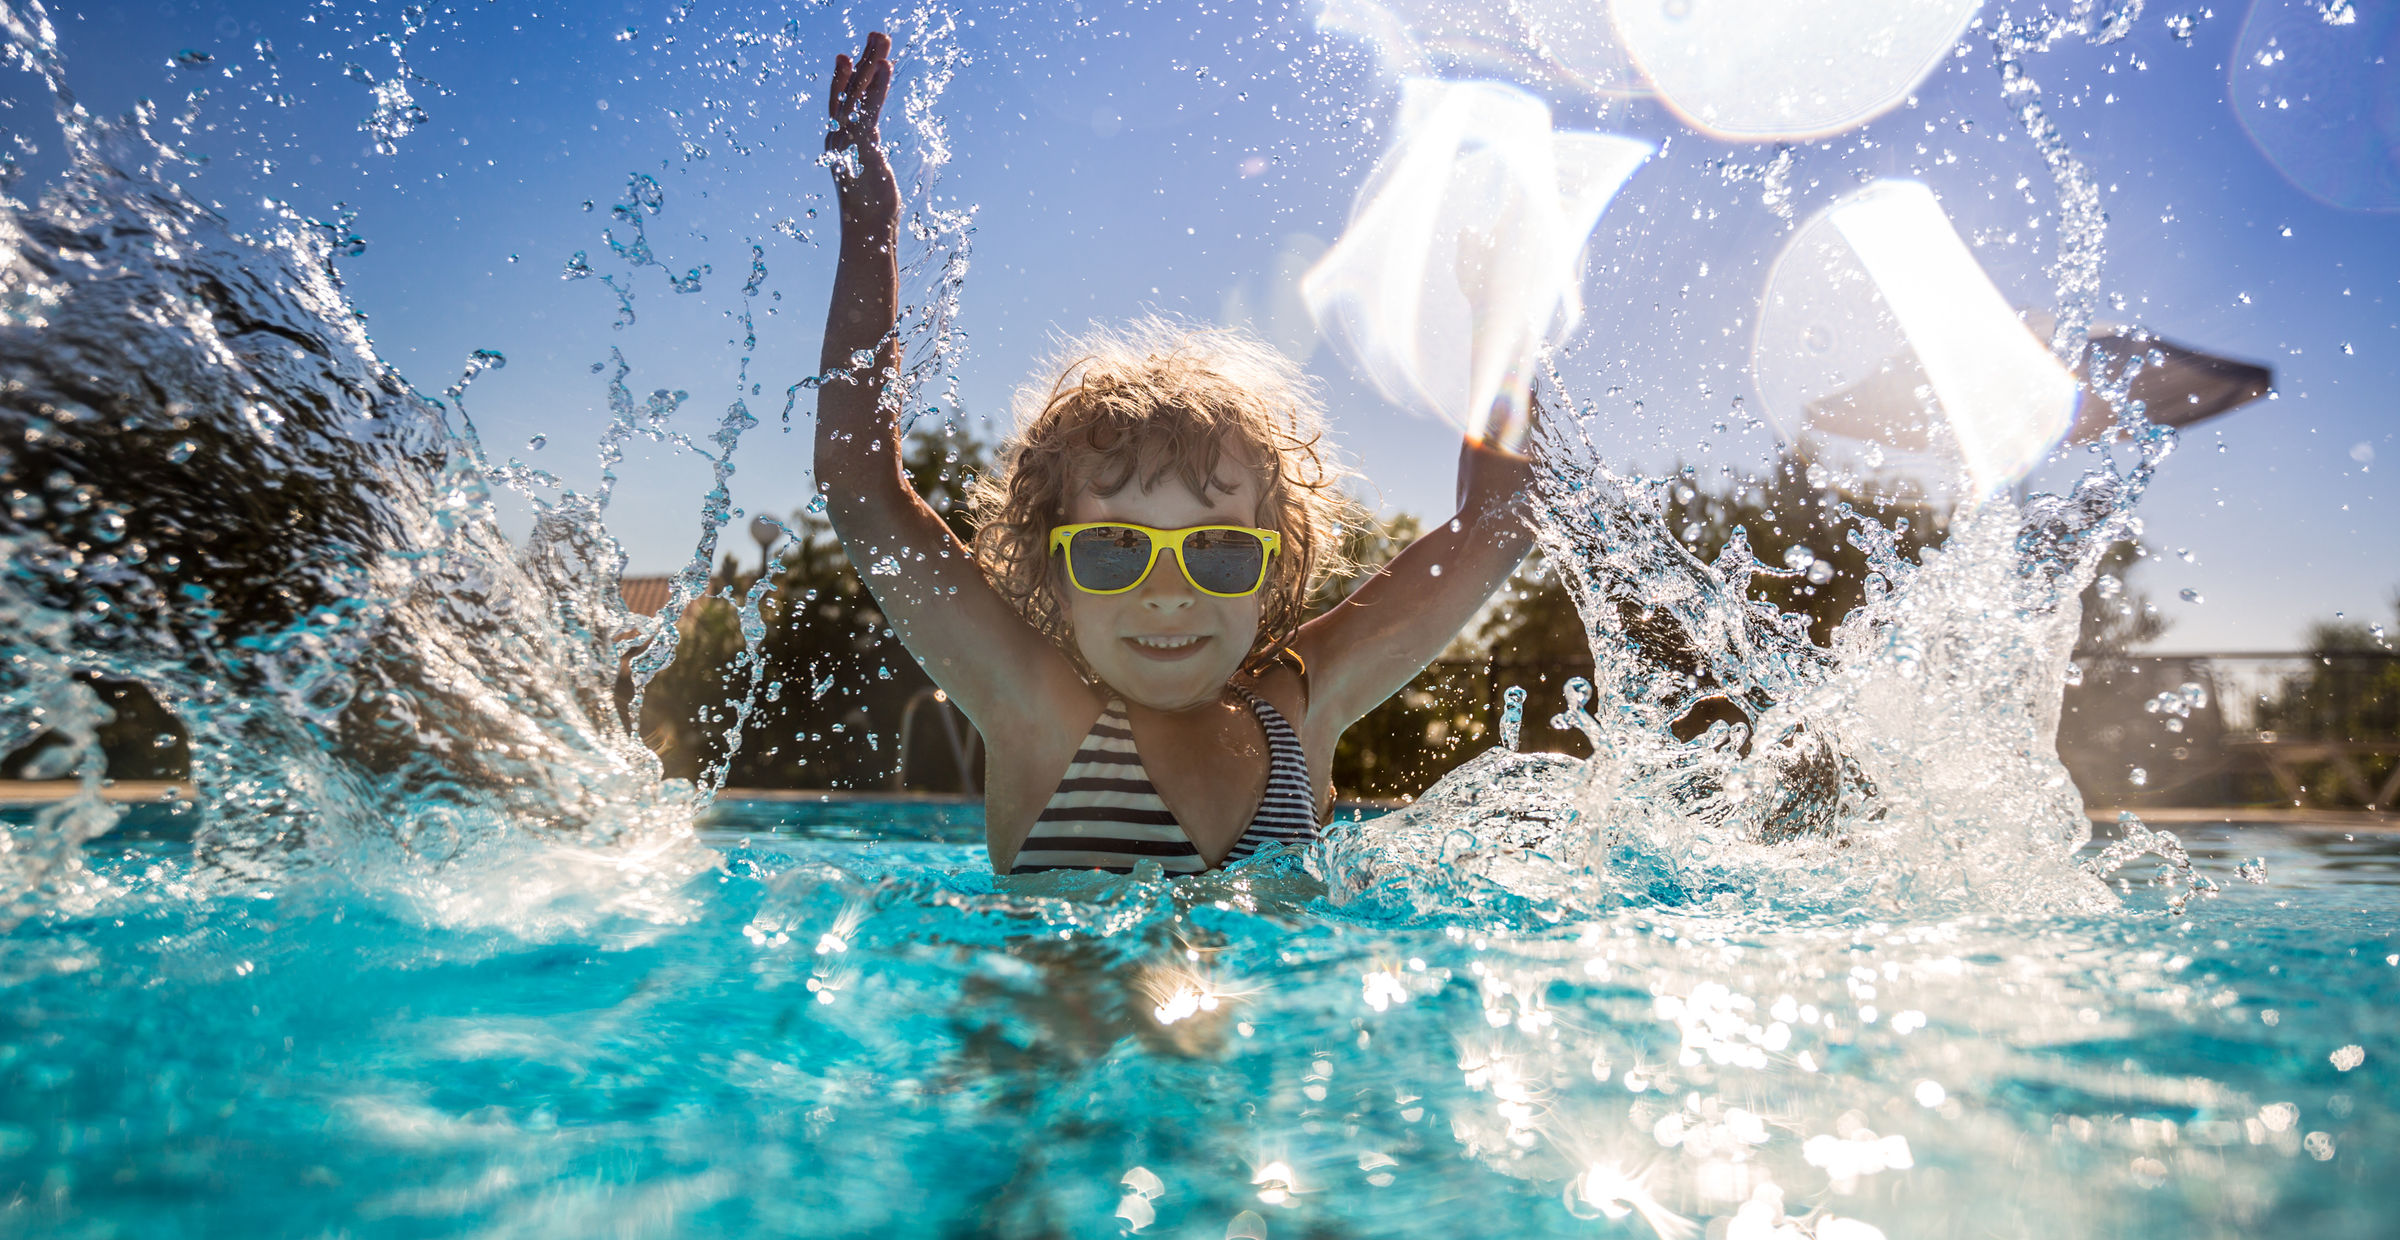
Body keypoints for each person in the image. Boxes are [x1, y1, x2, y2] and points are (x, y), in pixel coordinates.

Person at [813, 32, 1536, 876]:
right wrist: (870, 224)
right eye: (1114, 548)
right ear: (1054, 569)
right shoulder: (1036, 707)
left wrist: (1503, 322)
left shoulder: (1301, 708)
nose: (1167, 595)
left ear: (1274, 567)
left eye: (1219, 552)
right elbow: (860, 486)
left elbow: (1501, 523)